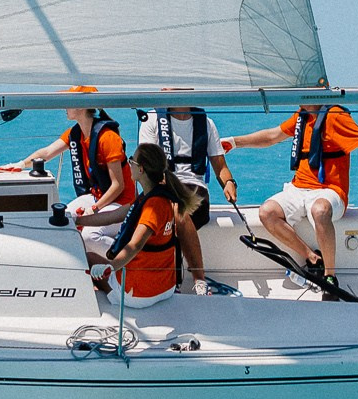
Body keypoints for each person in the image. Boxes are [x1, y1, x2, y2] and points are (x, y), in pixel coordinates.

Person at [224, 98, 358, 286]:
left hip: (331, 192)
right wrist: (234, 142)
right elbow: (272, 136)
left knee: (320, 210)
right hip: (298, 188)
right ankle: (311, 257)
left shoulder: (336, 115)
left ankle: (330, 275)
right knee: (267, 212)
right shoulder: (302, 115)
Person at [94, 143, 205, 304]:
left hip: (138, 295)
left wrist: (111, 267)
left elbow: (135, 245)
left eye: (132, 160)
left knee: (89, 259)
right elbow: (114, 216)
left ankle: (107, 296)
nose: (129, 163)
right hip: (166, 288)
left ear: (141, 169)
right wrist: (78, 220)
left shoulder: (152, 207)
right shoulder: (163, 198)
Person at [20, 98, 130, 222]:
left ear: (81, 107)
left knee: (91, 235)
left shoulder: (108, 138)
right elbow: (47, 153)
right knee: (64, 219)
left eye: (69, 103)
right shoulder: (76, 134)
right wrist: (21, 164)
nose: (65, 108)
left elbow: (118, 186)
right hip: (96, 197)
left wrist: (95, 208)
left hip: (121, 203)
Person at [138, 100, 240, 230]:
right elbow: (148, 162)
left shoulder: (207, 123)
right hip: (162, 185)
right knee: (141, 213)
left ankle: (181, 249)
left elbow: (220, 167)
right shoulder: (151, 119)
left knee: (182, 213)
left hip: (195, 187)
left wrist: (229, 182)